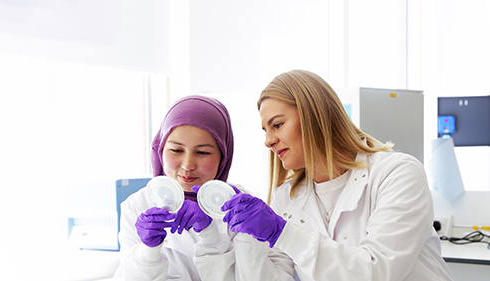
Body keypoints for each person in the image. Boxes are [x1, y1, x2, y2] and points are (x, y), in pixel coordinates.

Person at [221, 70, 454, 280]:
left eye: (278, 125)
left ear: (313, 115)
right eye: (265, 130)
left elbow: (377, 272)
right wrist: (243, 236)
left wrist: (282, 232)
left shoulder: (397, 174)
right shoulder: (287, 197)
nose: (268, 141)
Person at [114, 95, 295, 281]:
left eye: (202, 152)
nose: (188, 165)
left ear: (223, 157)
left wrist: (210, 234)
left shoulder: (242, 207)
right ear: (160, 150)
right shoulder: (136, 206)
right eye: (176, 150)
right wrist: (147, 252)